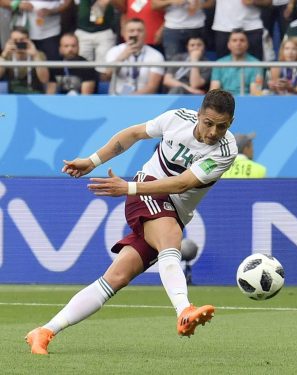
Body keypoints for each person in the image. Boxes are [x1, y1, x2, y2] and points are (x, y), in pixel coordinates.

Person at [24, 89, 238, 355]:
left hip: (169, 207)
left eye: (222, 126)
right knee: (171, 238)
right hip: (147, 190)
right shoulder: (175, 119)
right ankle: (184, 310)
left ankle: (44, 331)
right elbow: (134, 133)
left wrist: (128, 188)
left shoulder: (227, 150)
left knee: (116, 278)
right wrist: (93, 161)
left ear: (230, 124)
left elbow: (184, 183)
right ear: (198, 115)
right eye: (208, 123)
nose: (213, 132)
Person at [104, 18, 165, 95]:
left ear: (145, 33)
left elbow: (152, 87)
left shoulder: (156, 55)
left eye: (140, 31)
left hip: (144, 100)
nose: (135, 34)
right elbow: (107, 76)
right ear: (124, 34)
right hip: (117, 98)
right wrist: (121, 58)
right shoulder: (115, 51)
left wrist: (130, 97)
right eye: (131, 31)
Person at [209, 29, 264, 96]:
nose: (238, 43)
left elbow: (255, 92)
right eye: (234, 40)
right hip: (225, 102)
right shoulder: (219, 63)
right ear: (228, 45)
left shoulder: (256, 64)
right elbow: (213, 92)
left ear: (247, 44)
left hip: (248, 102)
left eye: (242, 40)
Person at [0, 26, 49, 94]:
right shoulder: (7, 55)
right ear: (10, 41)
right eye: (15, 40)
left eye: (22, 40)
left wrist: (35, 56)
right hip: (14, 95)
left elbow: (44, 80)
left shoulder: (39, 54)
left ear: (29, 40)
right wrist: (4, 54)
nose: (19, 43)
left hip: (35, 93)